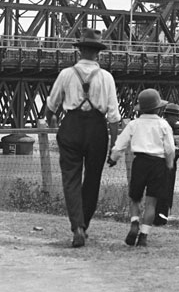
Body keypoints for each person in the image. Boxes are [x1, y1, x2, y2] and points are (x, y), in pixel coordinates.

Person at [45, 28, 122, 247]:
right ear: (98, 53)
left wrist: (51, 120)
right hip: (97, 129)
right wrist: (113, 145)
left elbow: (52, 103)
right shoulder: (107, 77)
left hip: (72, 126)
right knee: (92, 180)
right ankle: (84, 225)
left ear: (80, 51)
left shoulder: (67, 74)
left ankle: (76, 225)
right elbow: (113, 116)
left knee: (71, 178)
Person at [108, 89, 175, 246]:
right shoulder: (163, 124)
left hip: (140, 162)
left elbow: (120, 145)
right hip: (158, 164)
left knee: (135, 198)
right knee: (151, 202)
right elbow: (170, 148)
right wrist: (169, 163)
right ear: (158, 108)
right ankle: (144, 235)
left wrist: (113, 158)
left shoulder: (133, 124)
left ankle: (134, 223)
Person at [153, 103, 179, 226]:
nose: (176, 120)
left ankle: (159, 215)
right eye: (175, 117)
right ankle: (160, 217)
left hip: (161, 162)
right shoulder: (172, 129)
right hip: (166, 163)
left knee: (162, 190)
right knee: (165, 190)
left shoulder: (159, 126)